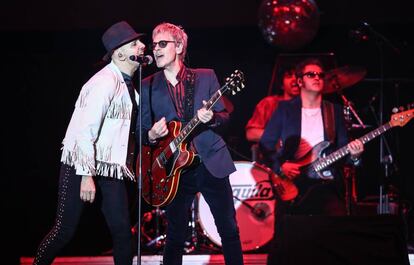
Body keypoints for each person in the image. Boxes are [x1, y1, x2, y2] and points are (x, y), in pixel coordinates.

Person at [33, 21, 146, 265]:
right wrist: (86, 175)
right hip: (80, 165)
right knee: (65, 229)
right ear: (120, 53)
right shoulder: (104, 82)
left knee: (122, 232)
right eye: (135, 43)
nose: (143, 46)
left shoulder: (129, 87)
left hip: (108, 166)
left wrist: (153, 135)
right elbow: (85, 131)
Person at [140, 22, 244, 265]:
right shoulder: (147, 85)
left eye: (162, 44)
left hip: (210, 161)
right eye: (154, 44)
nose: (155, 49)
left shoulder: (205, 76)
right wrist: (152, 135)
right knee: (175, 235)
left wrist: (212, 118)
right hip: (174, 170)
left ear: (178, 46)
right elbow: (140, 131)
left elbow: (225, 117)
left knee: (228, 229)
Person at [259, 58, 364, 265]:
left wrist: (356, 155)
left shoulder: (333, 111)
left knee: (336, 236)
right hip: (292, 183)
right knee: (286, 241)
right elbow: (266, 145)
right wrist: (281, 166)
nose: (317, 78)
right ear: (299, 81)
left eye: (320, 75)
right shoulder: (285, 109)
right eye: (311, 74)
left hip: (326, 184)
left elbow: (345, 152)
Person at [245, 67, 299, 161]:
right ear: (282, 84)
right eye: (289, 76)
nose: (294, 79)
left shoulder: (311, 107)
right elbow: (251, 133)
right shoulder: (269, 103)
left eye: (298, 76)